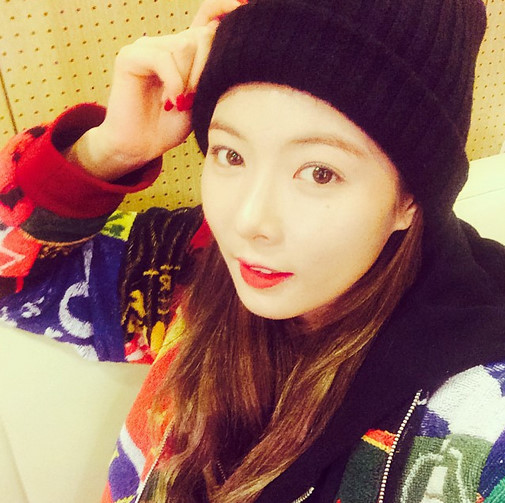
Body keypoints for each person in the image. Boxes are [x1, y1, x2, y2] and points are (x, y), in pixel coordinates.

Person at [1, 0, 505, 501]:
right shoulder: (193, 264)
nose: (248, 221)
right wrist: (108, 151)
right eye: (231, 154)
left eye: (320, 173)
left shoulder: (479, 418)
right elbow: (14, 281)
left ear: (410, 199)